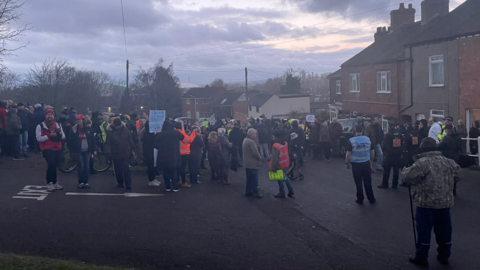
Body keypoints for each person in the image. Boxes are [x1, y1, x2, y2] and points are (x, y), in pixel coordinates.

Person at [402, 137, 461, 267]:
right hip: (445, 203)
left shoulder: (421, 163)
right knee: (444, 231)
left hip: (426, 203)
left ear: (422, 149)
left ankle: (421, 257)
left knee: (424, 232)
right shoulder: (449, 162)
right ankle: (444, 256)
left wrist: (405, 169)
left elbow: (407, 178)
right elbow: (458, 175)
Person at [345, 126, 376, 204]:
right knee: (368, 182)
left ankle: (360, 199)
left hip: (356, 165)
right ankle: (371, 199)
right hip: (366, 163)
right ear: (362, 131)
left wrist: (346, 163)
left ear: (355, 131)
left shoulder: (351, 140)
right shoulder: (367, 139)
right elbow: (372, 151)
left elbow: (348, 154)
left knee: (358, 182)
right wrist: (371, 160)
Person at [36, 109, 65, 191]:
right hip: (47, 149)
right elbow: (39, 138)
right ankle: (49, 182)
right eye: (48, 114)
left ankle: (55, 182)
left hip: (57, 148)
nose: (50, 116)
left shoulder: (58, 125)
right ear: (45, 116)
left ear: (54, 116)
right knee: (51, 164)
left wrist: (60, 134)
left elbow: (63, 136)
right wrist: (49, 135)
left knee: (55, 165)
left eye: (51, 115)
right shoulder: (40, 126)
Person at [105, 118, 136, 191]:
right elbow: (108, 143)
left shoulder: (125, 130)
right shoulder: (110, 132)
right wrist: (108, 153)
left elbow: (130, 139)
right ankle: (120, 183)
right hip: (115, 153)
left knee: (126, 169)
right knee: (118, 170)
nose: (117, 127)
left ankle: (128, 184)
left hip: (125, 153)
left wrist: (133, 147)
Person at [155, 120, 185, 192]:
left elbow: (155, 145)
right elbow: (182, 137)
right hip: (174, 155)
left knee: (165, 172)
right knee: (174, 171)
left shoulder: (160, 134)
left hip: (163, 155)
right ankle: (175, 187)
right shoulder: (175, 133)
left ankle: (167, 186)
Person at [70, 114, 96, 189]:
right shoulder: (74, 129)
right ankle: (81, 182)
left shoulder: (88, 129)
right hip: (79, 151)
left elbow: (93, 140)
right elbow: (70, 139)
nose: (78, 121)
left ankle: (86, 182)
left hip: (87, 150)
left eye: (80, 119)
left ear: (83, 120)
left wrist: (94, 149)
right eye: (77, 120)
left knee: (87, 167)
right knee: (81, 166)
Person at [378, 122, 404, 189]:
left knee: (387, 170)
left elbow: (385, 145)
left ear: (389, 127)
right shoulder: (400, 134)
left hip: (389, 155)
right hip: (397, 155)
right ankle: (395, 185)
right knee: (396, 171)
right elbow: (403, 144)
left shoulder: (388, 135)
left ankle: (385, 184)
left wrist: (387, 152)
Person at [270, 128, 294, 198]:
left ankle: (287, 191)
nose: (272, 137)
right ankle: (283, 191)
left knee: (282, 178)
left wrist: (273, 168)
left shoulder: (275, 146)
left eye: (273, 135)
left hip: (279, 165)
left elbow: (275, 158)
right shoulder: (285, 143)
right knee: (283, 177)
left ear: (276, 136)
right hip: (285, 163)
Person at [243, 128, 263, 198]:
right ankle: (255, 192)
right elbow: (255, 152)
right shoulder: (251, 142)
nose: (256, 135)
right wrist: (260, 158)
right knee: (254, 179)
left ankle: (248, 191)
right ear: (251, 134)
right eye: (255, 133)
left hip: (247, 163)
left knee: (249, 179)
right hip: (252, 163)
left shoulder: (245, 140)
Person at [176, 121, 195, 188]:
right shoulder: (182, 133)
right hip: (184, 153)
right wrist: (194, 133)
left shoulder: (175, 132)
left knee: (178, 167)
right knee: (182, 168)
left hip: (177, 153)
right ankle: (184, 181)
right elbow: (189, 140)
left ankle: (178, 180)